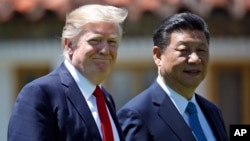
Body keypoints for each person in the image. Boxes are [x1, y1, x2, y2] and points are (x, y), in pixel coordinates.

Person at [8, 4, 128, 141]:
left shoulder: (105, 98)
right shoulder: (41, 94)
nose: (105, 50)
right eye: (95, 40)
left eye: (112, 41)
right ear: (69, 45)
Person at [118, 12, 228, 141]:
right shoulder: (137, 115)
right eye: (184, 50)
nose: (195, 59)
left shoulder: (212, 111)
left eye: (201, 50)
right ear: (158, 55)